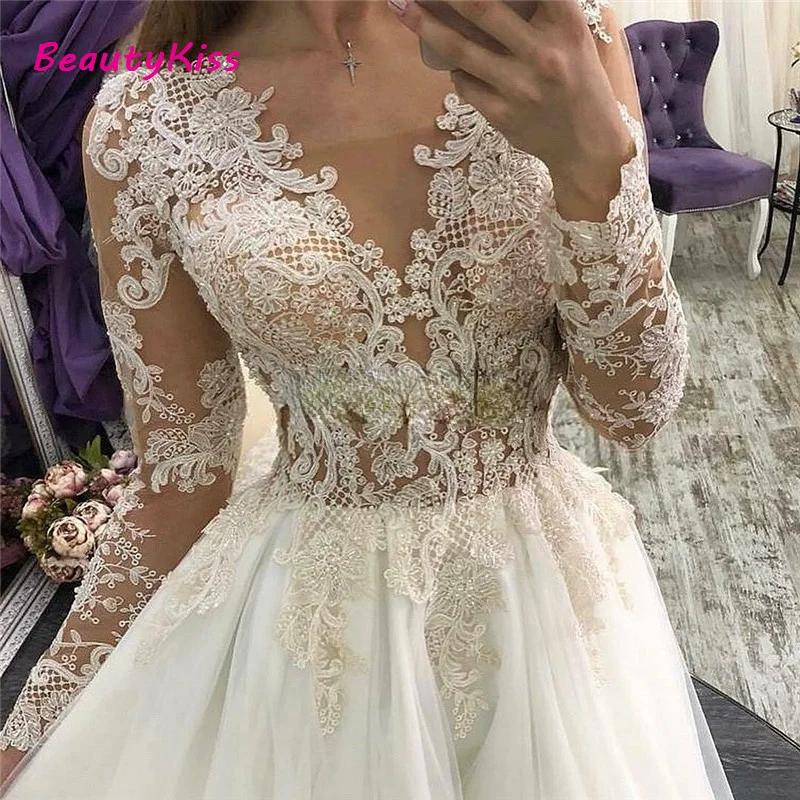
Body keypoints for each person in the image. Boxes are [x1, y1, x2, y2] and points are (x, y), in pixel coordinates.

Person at [1, 1, 736, 797]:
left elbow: (634, 405)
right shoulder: (146, 121)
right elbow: (181, 478)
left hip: (547, 616)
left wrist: (592, 159)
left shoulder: (547, 34)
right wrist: (25, 736)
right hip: (313, 643)